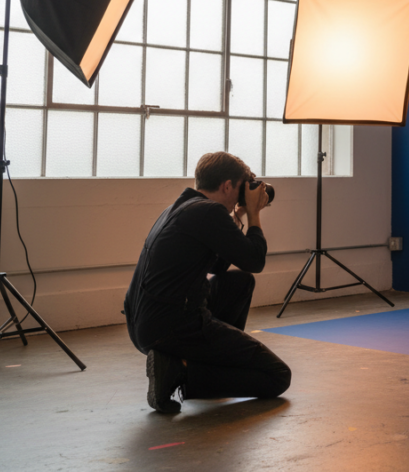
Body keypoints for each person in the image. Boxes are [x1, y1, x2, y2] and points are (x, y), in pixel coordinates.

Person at [124, 151, 291, 413]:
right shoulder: (209, 212)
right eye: (241, 188)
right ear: (227, 186)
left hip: (146, 325)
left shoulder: (182, 207)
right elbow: (254, 261)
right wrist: (254, 214)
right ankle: (178, 371)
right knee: (278, 375)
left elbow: (218, 266)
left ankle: (207, 363)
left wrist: (237, 214)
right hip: (170, 327)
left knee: (239, 282)